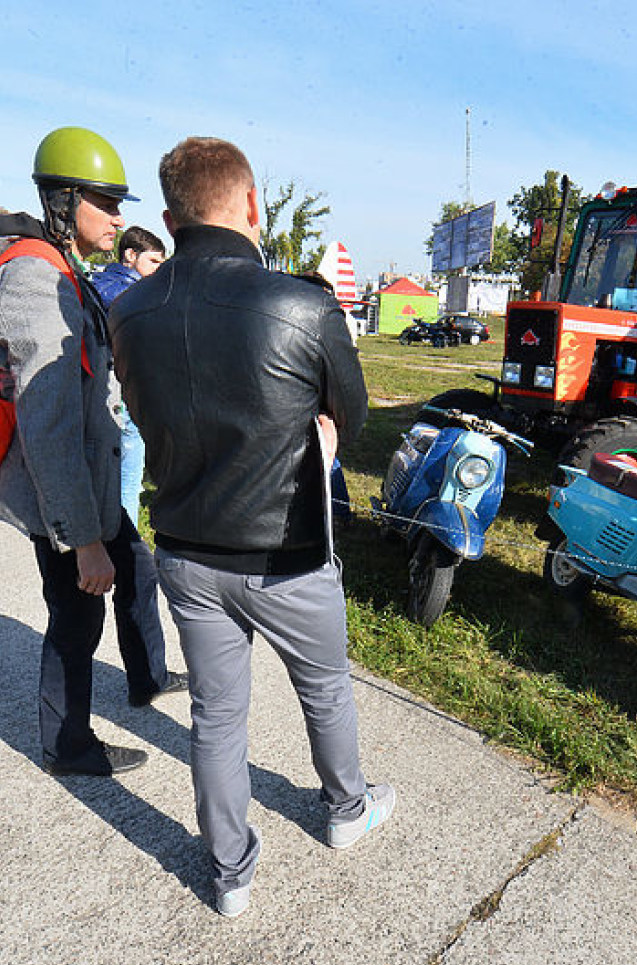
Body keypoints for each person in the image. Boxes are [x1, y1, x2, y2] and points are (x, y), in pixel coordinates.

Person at [110, 136, 394, 918]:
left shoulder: (127, 311)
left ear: (169, 219)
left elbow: (142, 412)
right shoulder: (303, 304)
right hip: (287, 551)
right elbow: (355, 415)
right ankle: (345, 809)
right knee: (326, 689)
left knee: (215, 716)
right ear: (253, 205)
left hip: (188, 550)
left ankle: (231, 870)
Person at [0, 126, 187, 777]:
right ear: (65, 201)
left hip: (96, 481)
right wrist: (82, 539)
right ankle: (67, 743)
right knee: (76, 617)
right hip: (66, 494)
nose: (121, 219)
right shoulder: (36, 282)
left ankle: (145, 677)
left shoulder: (63, 270)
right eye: (107, 202)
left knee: (136, 571)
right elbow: (50, 424)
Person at [90, 226, 167, 525]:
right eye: (154, 262)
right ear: (130, 256)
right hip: (126, 392)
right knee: (128, 479)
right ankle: (129, 543)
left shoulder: (100, 283)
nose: (158, 270)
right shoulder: (131, 296)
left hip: (104, 390)